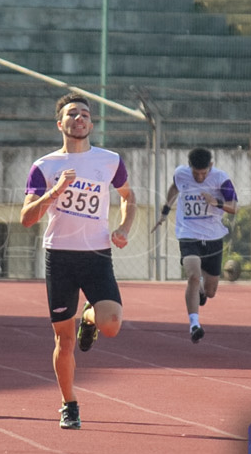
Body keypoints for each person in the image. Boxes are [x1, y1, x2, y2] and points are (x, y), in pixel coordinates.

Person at [20, 92, 135, 430]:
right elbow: (26, 218)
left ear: (92, 123)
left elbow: (128, 198)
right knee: (64, 340)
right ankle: (69, 403)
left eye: (85, 114)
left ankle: (90, 316)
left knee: (111, 325)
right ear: (61, 123)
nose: (79, 119)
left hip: (98, 253)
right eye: (72, 114)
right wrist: (55, 191)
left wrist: (124, 227)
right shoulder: (45, 166)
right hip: (60, 256)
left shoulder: (110, 160)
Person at [152, 147, 238, 344]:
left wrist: (215, 202)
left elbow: (234, 207)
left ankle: (201, 290)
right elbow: (175, 187)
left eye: (203, 173)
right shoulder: (181, 174)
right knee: (192, 275)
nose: (199, 177)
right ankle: (194, 325)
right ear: (189, 167)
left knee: (210, 292)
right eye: (195, 173)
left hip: (213, 237)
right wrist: (165, 211)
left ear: (211, 166)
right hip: (188, 235)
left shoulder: (221, 179)